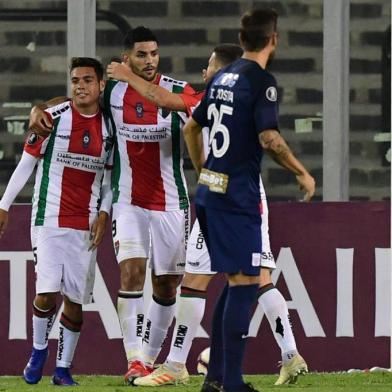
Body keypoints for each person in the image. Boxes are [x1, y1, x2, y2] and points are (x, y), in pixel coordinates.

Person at [109, 43, 309, 387]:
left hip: (225, 193)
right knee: (259, 275)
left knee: (196, 280)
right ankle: (291, 356)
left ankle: (174, 365)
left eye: (210, 68)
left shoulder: (216, 99)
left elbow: (164, 100)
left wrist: (127, 75)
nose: (204, 73)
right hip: (243, 191)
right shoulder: (235, 99)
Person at [29, 26, 198, 385]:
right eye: (141, 54)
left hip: (171, 202)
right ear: (127, 57)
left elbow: (181, 107)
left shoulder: (177, 90)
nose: (149, 60)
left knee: (167, 285)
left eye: (153, 53)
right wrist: (39, 108)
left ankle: (151, 359)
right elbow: (78, 100)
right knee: (131, 273)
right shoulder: (112, 93)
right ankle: (135, 360)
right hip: (128, 200)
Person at [183, 8, 315, 392]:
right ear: (274, 40)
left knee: (233, 280)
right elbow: (269, 138)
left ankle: (215, 380)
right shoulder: (261, 81)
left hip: (210, 194)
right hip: (237, 196)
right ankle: (233, 383)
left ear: (241, 41)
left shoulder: (222, 77)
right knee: (245, 284)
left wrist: (204, 171)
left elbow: (193, 127)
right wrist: (301, 172)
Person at [0, 57, 113, 386]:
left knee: (76, 302)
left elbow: (108, 180)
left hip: (86, 221)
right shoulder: (52, 118)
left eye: (88, 80)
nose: (80, 85)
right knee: (47, 294)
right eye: (75, 80)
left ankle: (63, 369)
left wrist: (104, 213)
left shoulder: (109, 128)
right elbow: (26, 163)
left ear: (101, 85)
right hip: (48, 216)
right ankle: (38, 351)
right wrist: (4, 205)